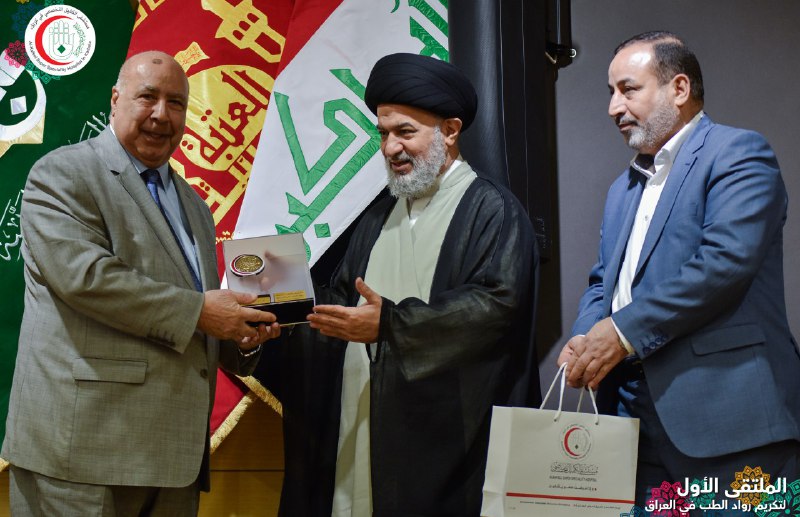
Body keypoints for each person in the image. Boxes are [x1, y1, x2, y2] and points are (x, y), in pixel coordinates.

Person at [1, 51, 281, 516]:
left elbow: (198, 317)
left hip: (172, 460)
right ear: (115, 99)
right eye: (147, 97)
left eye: (176, 103)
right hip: (84, 453)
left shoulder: (195, 206)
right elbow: (87, 279)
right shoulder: (63, 173)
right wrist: (202, 312)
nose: (161, 114)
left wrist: (242, 335)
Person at [270, 53, 540, 516]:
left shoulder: (493, 210)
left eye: (405, 132)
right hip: (361, 420)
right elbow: (340, 303)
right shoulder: (378, 215)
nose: (390, 148)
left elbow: (495, 309)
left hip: (446, 445)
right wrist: (275, 311)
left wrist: (391, 325)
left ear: (450, 131)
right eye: (383, 133)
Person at [559, 31, 800, 506]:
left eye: (628, 89)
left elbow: (724, 263)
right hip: (631, 418)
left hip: (729, 422)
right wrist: (587, 336)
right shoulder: (622, 188)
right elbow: (604, 282)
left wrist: (620, 333)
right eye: (610, 92)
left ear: (680, 89)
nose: (613, 107)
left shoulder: (739, 153)